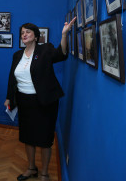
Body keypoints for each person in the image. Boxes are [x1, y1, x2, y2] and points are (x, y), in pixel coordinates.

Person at [4, 18, 75, 181]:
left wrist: (64, 35)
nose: (24, 35)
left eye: (28, 32)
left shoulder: (45, 50)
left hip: (45, 102)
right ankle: (31, 168)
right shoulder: (17, 55)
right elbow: (11, 78)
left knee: (44, 139)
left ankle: (44, 173)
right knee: (27, 137)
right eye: (22, 33)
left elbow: (62, 55)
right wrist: (9, 97)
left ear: (36, 36)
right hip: (24, 102)